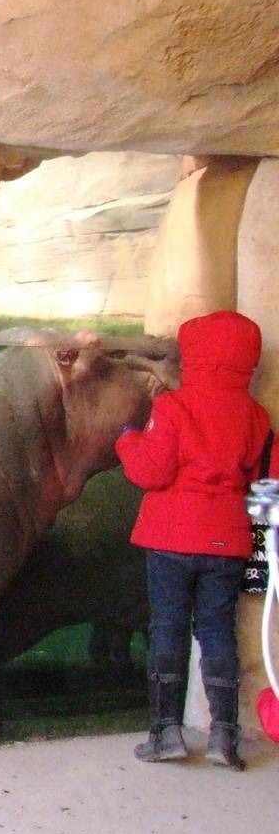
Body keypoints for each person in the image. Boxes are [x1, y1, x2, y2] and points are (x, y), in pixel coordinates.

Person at [117, 310, 269, 772]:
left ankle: (166, 733)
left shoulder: (174, 407)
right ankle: (226, 739)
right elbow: (264, 474)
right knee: (217, 631)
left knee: (168, 627)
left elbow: (152, 472)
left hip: (171, 538)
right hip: (226, 541)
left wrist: (127, 440)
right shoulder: (255, 416)